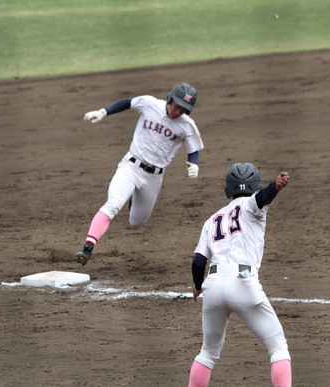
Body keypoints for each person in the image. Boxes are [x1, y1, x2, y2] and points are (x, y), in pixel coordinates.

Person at [75, 83, 204, 265]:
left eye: (184, 110)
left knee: (137, 223)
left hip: (154, 178)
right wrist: (103, 112)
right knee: (113, 204)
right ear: (170, 99)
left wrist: (194, 164)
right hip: (130, 167)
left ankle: (133, 197)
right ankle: (88, 247)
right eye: (177, 106)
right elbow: (128, 103)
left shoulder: (187, 125)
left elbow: (194, 151)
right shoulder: (150, 104)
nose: (178, 112)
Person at [188, 163, 292, 387]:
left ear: (229, 189)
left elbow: (198, 262)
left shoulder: (212, 220)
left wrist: (197, 286)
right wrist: (276, 186)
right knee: (277, 346)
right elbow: (263, 197)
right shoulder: (250, 206)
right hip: (244, 283)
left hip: (213, 286)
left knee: (207, 353)